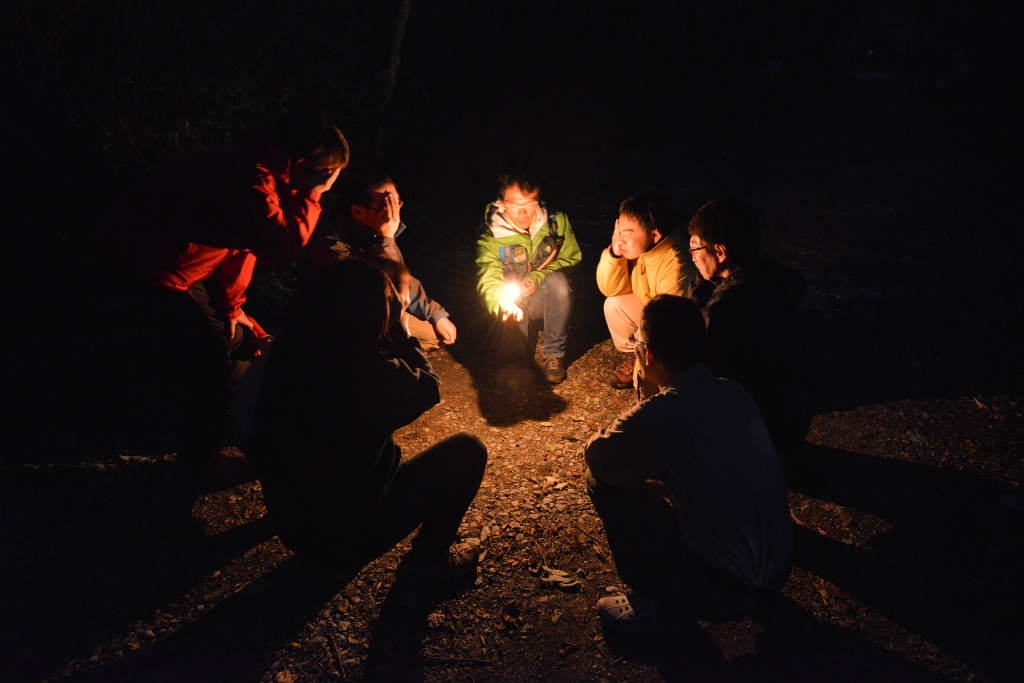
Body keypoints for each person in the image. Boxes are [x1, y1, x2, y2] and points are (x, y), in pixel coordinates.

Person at [118, 109, 349, 457]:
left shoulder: (262, 169)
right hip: (144, 267)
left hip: (178, 267)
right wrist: (314, 194)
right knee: (206, 359)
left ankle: (206, 427)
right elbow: (283, 247)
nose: (330, 181)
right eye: (330, 174)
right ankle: (196, 459)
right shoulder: (249, 176)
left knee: (238, 336)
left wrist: (232, 305)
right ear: (306, 163)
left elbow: (245, 245)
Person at [251, 259, 488, 581]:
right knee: (468, 450)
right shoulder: (364, 372)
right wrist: (402, 331)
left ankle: (328, 553)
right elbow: (429, 388)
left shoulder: (291, 350)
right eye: (389, 301)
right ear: (373, 314)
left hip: (290, 522)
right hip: (340, 537)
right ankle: (429, 561)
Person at [584, 295, 793, 636]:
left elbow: (598, 455)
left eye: (637, 341)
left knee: (599, 480)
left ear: (647, 353)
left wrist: (646, 393)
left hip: (721, 591)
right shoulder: (734, 391)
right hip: (778, 571)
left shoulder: (665, 412)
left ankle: (657, 602)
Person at [687, 199, 810, 464]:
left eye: (695, 249)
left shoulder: (726, 308)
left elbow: (692, 357)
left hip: (753, 438)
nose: (693, 257)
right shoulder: (770, 279)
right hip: (788, 424)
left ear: (720, 252)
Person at [306, 172, 456, 349]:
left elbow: (404, 281)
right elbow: (383, 295)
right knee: (424, 337)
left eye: (396, 204)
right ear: (357, 211)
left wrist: (436, 314)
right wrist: (386, 240)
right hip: (343, 328)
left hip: (381, 310)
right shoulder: (332, 244)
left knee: (433, 330)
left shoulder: (370, 229)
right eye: (386, 207)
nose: (394, 215)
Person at [475, 173, 582, 383]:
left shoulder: (555, 221)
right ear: (502, 201)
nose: (523, 211)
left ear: (538, 198)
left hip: (540, 296)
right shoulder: (491, 231)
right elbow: (488, 276)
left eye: (530, 202)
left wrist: (538, 276)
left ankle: (554, 356)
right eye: (515, 204)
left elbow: (571, 257)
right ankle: (516, 357)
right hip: (510, 305)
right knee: (511, 294)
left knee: (559, 282)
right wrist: (502, 304)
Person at [595, 194, 702, 392]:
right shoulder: (640, 250)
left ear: (655, 234)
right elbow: (609, 288)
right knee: (614, 304)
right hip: (653, 310)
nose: (621, 239)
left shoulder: (676, 266)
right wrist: (614, 254)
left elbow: (669, 330)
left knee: (658, 362)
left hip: (677, 330)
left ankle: (657, 373)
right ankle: (639, 358)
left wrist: (643, 378)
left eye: (628, 233)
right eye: (619, 231)